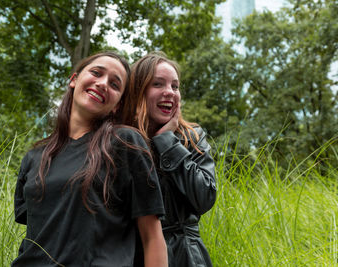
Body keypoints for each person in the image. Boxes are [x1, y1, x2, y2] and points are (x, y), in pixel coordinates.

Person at [12, 51, 167, 267]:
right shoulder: (35, 156)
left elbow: (152, 237)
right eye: (96, 73)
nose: (103, 83)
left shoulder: (125, 143)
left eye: (115, 84)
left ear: (117, 105)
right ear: (74, 80)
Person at [123, 51, 216, 267]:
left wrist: (166, 142)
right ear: (138, 92)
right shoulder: (121, 139)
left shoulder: (192, 137)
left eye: (175, 86)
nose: (169, 92)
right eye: (158, 84)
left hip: (187, 257)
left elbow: (204, 198)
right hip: (132, 254)